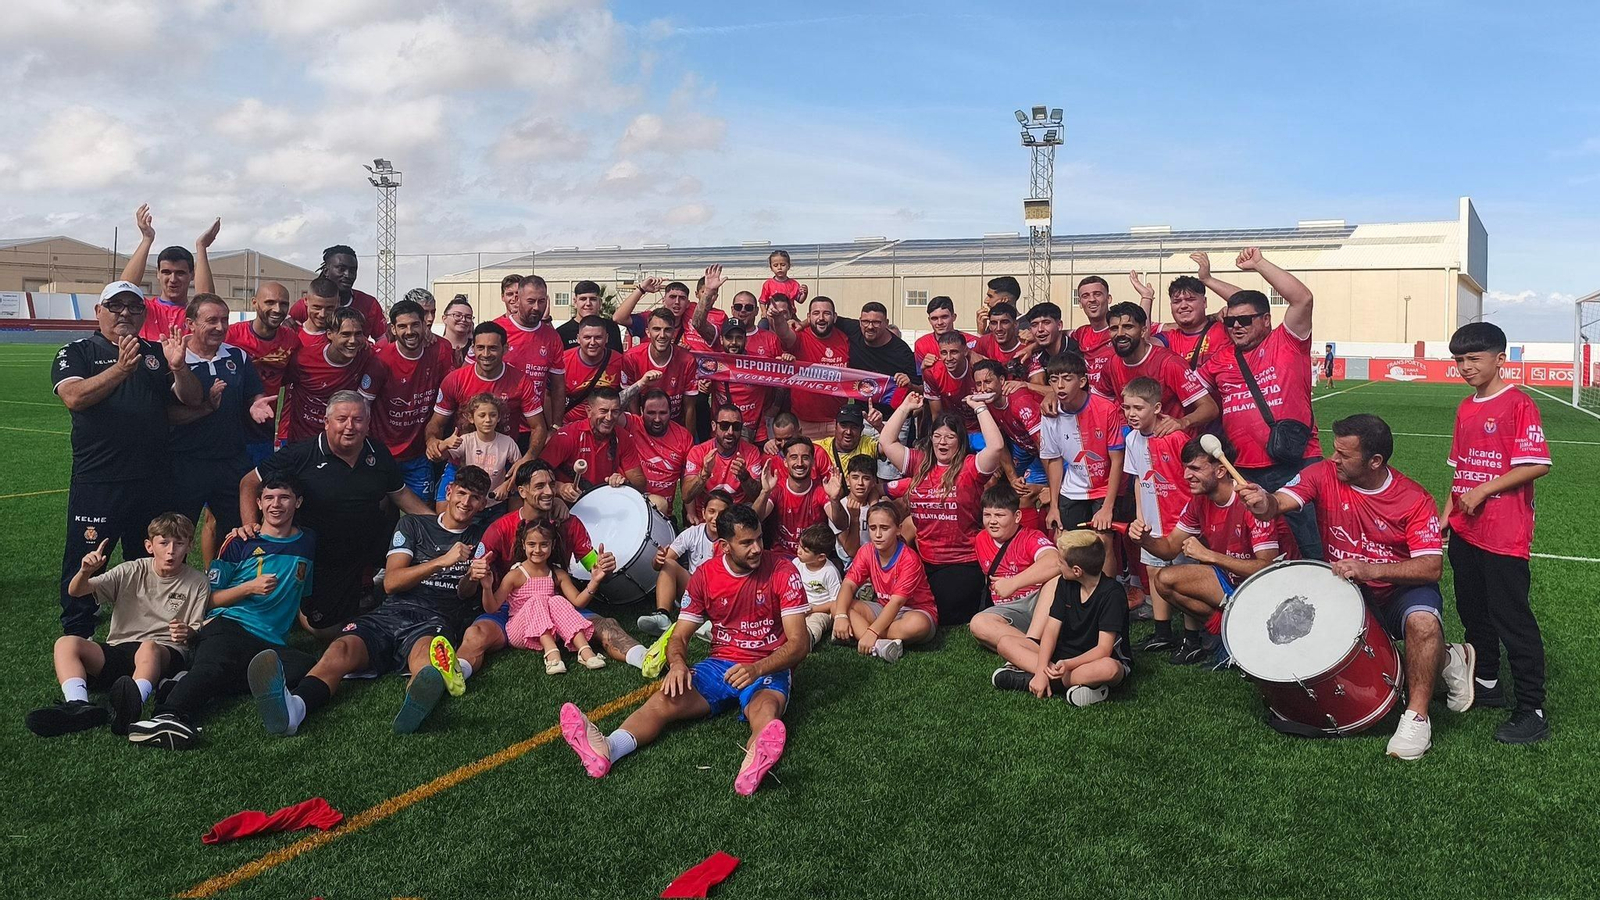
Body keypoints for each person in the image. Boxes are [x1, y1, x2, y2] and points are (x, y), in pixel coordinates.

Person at [1238, 414, 1475, 760]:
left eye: (1344, 454)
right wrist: (1264, 503)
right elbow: (1278, 503)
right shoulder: (1322, 474)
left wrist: (1370, 568)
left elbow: (1431, 567)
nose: (1334, 459)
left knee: (1423, 623)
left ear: (1374, 461)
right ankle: (1450, 657)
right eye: (1334, 451)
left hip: (1398, 590)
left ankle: (1417, 717)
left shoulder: (1414, 499)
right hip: (1349, 589)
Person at [559, 503, 808, 795]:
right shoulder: (706, 576)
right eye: (746, 543)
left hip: (767, 665)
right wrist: (677, 664)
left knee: (766, 710)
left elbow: (799, 643)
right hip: (719, 665)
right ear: (725, 546)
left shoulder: (782, 570)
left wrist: (757, 668)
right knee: (664, 698)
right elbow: (679, 635)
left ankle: (753, 763)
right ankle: (608, 748)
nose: (756, 548)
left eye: (759, 539)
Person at [247, 466, 495, 737]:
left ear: (483, 503)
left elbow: (464, 594)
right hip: (391, 611)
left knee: (426, 660)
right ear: (448, 491)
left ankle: (417, 702)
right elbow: (392, 582)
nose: (465, 502)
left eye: (474, 498)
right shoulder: (413, 524)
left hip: (435, 618)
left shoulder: (480, 537)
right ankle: (296, 708)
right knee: (340, 648)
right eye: (461, 493)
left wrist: (472, 577)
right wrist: (442, 561)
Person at [53, 281, 203, 637]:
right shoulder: (77, 351)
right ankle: (79, 626)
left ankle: (146, 617)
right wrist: (121, 369)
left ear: (143, 314)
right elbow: (74, 397)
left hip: (152, 477)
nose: (125, 313)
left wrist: (181, 370)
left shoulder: (155, 353)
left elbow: (186, 403)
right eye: (115, 306)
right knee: (89, 554)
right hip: (100, 478)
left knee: (147, 555)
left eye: (134, 307)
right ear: (98, 311)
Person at [127, 476, 317, 749]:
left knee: (304, 667)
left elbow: (301, 594)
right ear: (258, 503)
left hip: (271, 640)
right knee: (214, 667)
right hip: (229, 624)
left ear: (297, 502)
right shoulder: (240, 542)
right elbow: (206, 600)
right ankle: (164, 716)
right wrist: (248, 588)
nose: (276, 505)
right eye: (269, 498)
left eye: (284, 498)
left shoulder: (308, 541)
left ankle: (178, 682)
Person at [241, 391, 435, 636]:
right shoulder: (301, 454)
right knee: (322, 628)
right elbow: (249, 482)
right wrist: (251, 526)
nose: (349, 427)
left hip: (369, 540)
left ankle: (374, 585)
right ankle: (301, 597)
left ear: (367, 424)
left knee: (418, 552)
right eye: (342, 419)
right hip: (323, 552)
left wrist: (440, 526)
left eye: (357, 419)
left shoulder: (377, 452)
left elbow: (401, 495)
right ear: (327, 422)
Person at [1443, 322, 1552, 743]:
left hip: (1504, 532)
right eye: (1458, 360)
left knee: (1513, 619)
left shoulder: (1518, 403)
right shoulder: (1465, 407)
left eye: (1474, 359)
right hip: (1466, 530)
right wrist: (1445, 513)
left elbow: (1537, 464)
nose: (1465, 367)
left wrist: (1484, 490)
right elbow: (1459, 470)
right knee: (1473, 611)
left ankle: (1533, 709)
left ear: (1500, 359)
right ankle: (1487, 681)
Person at [26, 514, 209, 738]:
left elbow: (195, 633)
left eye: (179, 543)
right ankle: (78, 706)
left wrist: (187, 632)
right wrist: (85, 571)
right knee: (66, 643)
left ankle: (133, 704)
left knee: (149, 647)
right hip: (121, 648)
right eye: (164, 543)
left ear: (189, 546)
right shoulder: (130, 570)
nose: (171, 551)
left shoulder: (198, 581)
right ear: (149, 546)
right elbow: (76, 591)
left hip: (165, 652)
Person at [1194, 248, 1324, 560]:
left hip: (1296, 464)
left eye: (1245, 320)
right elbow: (1186, 394)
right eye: (1231, 321)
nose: (1237, 326)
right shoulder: (1219, 360)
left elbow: (1303, 299)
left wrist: (1259, 264)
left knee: (1311, 548)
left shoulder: (1286, 342)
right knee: (1258, 550)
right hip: (1243, 471)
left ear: (1266, 320)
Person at [465, 462, 641, 674]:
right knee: (476, 635)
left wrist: (603, 567)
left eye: (551, 485)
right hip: (511, 611)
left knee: (607, 625)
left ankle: (646, 658)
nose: (549, 491)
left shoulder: (569, 523)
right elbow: (467, 585)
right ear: (522, 491)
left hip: (559, 606)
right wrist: (474, 577)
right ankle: (455, 674)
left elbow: (592, 564)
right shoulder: (499, 529)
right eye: (540, 486)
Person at [1128, 435, 1283, 664]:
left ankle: (1242, 631)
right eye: (1185, 468)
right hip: (1231, 581)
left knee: (1172, 578)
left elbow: (1267, 569)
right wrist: (1145, 540)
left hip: (1267, 588)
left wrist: (1209, 556)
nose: (1185, 476)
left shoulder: (1253, 501)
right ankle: (1228, 632)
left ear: (1220, 471)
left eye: (1195, 469)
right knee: (1164, 579)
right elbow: (1170, 548)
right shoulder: (1198, 501)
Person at [879, 391, 1005, 626]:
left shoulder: (969, 468)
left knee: (944, 617)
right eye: (937, 436)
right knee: (910, 610)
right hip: (924, 561)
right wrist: (906, 407)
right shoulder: (919, 464)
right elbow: (887, 442)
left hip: (961, 562)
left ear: (960, 441)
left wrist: (979, 408)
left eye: (949, 437)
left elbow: (996, 447)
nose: (942, 442)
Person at [168, 293, 275, 558]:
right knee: (177, 533)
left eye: (224, 320)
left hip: (232, 461)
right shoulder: (174, 357)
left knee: (239, 532)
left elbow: (254, 393)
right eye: (212, 320)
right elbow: (167, 414)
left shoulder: (237, 356)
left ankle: (224, 591)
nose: (220, 327)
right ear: (190, 324)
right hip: (186, 463)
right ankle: (172, 592)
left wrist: (255, 405)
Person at [990, 530, 1130, 707]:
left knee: (1109, 669)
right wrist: (1042, 670)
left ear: (1077, 570)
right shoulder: (1065, 583)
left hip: (1093, 660)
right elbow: (1051, 629)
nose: (1057, 565)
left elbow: (1103, 649)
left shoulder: (1112, 594)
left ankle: (1031, 681)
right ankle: (1065, 684)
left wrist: (1069, 664)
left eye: (1060, 562)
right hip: (1060, 657)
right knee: (1005, 643)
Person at [1119, 379, 1201, 656]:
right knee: (1154, 572)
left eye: (1138, 408)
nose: (1131, 413)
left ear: (1156, 408)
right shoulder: (1131, 439)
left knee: (1186, 576)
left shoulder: (1175, 437)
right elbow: (1139, 480)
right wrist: (1140, 517)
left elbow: (1193, 478)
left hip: (1180, 522)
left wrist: (1191, 518)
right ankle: (1162, 632)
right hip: (1152, 522)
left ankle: (1193, 638)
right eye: (1127, 407)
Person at [1039, 351, 1125, 574]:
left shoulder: (1106, 409)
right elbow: (1055, 461)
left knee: (1103, 542)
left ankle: (1107, 600)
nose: (1060, 386)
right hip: (1072, 488)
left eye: (1067, 378)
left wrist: (1107, 507)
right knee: (1067, 544)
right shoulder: (1049, 414)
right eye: (1054, 379)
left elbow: (1117, 461)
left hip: (1104, 488)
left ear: (1083, 381)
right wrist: (1054, 506)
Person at [428, 322, 545, 473]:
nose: (485, 354)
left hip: (503, 464)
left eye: (493, 348)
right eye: (480, 348)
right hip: (461, 463)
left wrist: (529, 458)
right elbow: (436, 423)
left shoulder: (521, 381)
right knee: (444, 497)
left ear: (505, 349)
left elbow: (538, 426)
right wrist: (432, 441)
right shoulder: (455, 379)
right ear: (473, 348)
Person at [495, 519, 608, 674]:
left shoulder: (557, 573)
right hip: (519, 632)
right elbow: (492, 607)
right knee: (538, 599)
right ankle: (552, 654)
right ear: (523, 544)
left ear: (552, 545)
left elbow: (578, 601)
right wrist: (487, 587)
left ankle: (584, 651)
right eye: (532, 544)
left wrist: (594, 581)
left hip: (549, 630)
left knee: (557, 599)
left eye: (544, 544)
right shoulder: (515, 575)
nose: (537, 550)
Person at [832, 501, 939, 662]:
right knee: (837, 606)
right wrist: (840, 616)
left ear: (899, 529)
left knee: (918, 624)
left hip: (913, 611)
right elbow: (848, 584)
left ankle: (864, 634)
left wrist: (872, 632)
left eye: (884, 528)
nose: (878, 534)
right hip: (883, 608)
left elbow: (897, 602)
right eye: (873, 528)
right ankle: (880, 646)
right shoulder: (866, 550)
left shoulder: (909, 558)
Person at [374, 299, 456, 501]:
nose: (409, 331)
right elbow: (364, 405)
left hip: (419, 454)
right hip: (383, 454)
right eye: (402, 326)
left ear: (424, 325)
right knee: (379, 515)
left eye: (414, 325)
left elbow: (450, 393)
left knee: (421, 513)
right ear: (393, 329)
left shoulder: (440, 349)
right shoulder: (381, 359)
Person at [1095, 301, 1217, 434]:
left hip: (1175, 445)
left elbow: (1210, 408)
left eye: (1128, 327)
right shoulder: (1112, 364)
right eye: (1114, 328)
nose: (1120, 334)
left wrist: (1182, 422)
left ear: (1143, 331)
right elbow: (1097, 403)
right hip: (1139, 445)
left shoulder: (1169, 363)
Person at [967, 484, 1061, 654]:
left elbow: (1055, 561)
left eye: (1000, 515)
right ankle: (1036, 648)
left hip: (1039, 603)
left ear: (1017, 516)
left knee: (1056, 577)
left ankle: (1030, 643)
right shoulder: (980, 539)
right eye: (987, 515)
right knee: (978, 623)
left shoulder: (1031, 536)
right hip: (1008, 610)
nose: (992, 521)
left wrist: (1013, 583)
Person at [638, 490, 735, 642]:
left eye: (722, 513)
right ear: (703, 512)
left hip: (724, 593)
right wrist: (658, 559)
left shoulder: (734, 537)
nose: (716, 518)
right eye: (711, 511)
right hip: (695, 589)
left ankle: (716, 624)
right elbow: (661, 565)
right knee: (669, 563)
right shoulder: (693, 533)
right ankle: (663, 615)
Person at [280, 307, 386, 443]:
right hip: (304, 441)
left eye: (358, 334)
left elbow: (390, 356)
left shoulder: (367, 355)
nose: (353, 340)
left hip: (341, 442)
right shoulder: (303, 359)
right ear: (330, 334)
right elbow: (278, 381)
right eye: (346, 334)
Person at [226, 282, 302, 464]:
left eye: (283, 304)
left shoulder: (291, 339)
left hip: (263, 427)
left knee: (258, 485)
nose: (277, 309)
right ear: (254, 303)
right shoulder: (232, 335)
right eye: (269, 302)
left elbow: (292, 377)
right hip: (230, 426)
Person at [117, 205, 219, 341]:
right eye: (166, 272)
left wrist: (201, 247)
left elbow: (207, 300)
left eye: (180, 273)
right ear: (158, 274)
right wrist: (147, 238)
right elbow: (124, 288)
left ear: (192, 275)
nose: (173, 279)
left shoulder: (195, 314)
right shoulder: (144, 309)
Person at [539, 387, 647, 495]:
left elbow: (640, 483)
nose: (609, 417)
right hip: (570, 504)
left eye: (615, 412)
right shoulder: (567, 436)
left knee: (658, 502)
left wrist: (623, 481)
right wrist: (560, 488)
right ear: (589, 411)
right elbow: (537, 473)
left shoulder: (624, 437)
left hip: (607, 500)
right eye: (603, 411)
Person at [772, 295, 852, 438]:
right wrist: (778, 319)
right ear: (809, 317)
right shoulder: (800, 337)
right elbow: (784, 334)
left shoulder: (845, 340)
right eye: (816, 313)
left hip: (837, 423)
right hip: (804, 424)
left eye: (826, 313)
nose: (821, 318)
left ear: (834, 317)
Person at [499, 275, 567, 432]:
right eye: (531, 301)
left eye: (541, 301)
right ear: (518, 299)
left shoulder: (552, 337)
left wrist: (556, 426)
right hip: (496, 428)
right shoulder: (497, 330)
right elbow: (468, 374)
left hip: (534, 428)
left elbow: (558, 386)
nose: (536, 307)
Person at [683, 403, 765, 524]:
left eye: (736, 426)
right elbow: (686, 495)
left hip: (737, 520)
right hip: (707, 519)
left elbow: (757, 497)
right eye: (725, 426)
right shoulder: (698, 452)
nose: (730, 432)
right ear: (713, 426)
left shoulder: (751, 452)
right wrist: (704, 474)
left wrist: (745, 477)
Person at [622, 308, 699, 431]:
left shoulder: (687, 360)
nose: (662, 335)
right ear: (648, 332)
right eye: (656, 329)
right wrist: (638, 433)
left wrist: (688, 442)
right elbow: (631, 401)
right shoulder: (631, 358)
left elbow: (690, 407)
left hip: (675, 427)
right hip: (643, 426)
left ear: (674, 332)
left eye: (667, 330)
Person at [754, 436, 831, 559]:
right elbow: (754, 520)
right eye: (793, 457)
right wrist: (765, 492)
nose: (799, 463)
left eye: (805, 458)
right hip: (780, 558)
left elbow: (840, 523)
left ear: (812, 462)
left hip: (812, 560)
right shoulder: (777, 489)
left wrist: (835, 500)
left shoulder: (820, 491)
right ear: (785, 462)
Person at [442, 394, 522, 511]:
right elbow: (439, 457)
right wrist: (445, 444)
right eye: (482, 415)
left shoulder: (508, 443)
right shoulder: (466, 440)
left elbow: (521, 470)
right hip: (470, 503)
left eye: (493, 415)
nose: (488, 420)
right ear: (471, 418)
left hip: (495, 502)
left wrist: (507, 485)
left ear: (499, 417)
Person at [288, 245, 386, 339]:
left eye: (353, 270)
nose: (348, 275)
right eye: (341, 269)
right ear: (326, 271)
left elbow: (382, 340)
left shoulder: (369, 304)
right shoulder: (304, 306)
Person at [1147, 258, 1228, 368]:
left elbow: (1250, 303)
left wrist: (1207, 279)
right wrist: (1146, 298)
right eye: (1177, 301)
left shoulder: (1225, 328)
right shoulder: (1169, 339)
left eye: (1190, 299)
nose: (1183, 306)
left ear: (1204, 302)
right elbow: (1144, 346)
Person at [701, 320, 774, 441]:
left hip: (755, 434)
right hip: (722, 433)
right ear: (721, 339)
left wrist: (784, 363)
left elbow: (780, 381)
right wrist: (704, 388)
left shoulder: (759, 363)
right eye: (729, 338)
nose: (733, 343)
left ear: (746, 340)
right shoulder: (713, 362)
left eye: (738, 338)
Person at [1070, 275, 1151, 383]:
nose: (1092, 299)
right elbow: (1056, 333)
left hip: (1121, 393)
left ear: (1109, 298)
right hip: (1093, 396)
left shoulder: (1123, 329)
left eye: (1097, 294)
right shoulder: (1081, 332)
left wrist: (1146, 297)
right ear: (1080, 303)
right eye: (1085, 296)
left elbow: (1142, 328)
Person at [627, 389, 694, 518]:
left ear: (671, 412)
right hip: (631, 508)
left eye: (662, 413)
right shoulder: (631, 424)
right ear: (641, 411)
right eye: (651, 413)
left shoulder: (683, 437)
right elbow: (612, 407)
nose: (657, 419)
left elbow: (688, 478)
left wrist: (690, 513)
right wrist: (639, 385)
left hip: (663, 515)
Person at [561, 315, 626, 424]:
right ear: (578, 338)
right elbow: (551, 396)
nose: (592, 342)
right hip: (571, 425)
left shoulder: (620, 362)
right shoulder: (563, 361)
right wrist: (554, 426)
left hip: (608, 424)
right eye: (587, 337)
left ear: (606, 338)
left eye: (598, 337)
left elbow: (627, 395)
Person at [825, 454, 882, 562]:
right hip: (852, 567)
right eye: (855, 477)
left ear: (874, 481)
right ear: (847, 480)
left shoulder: (880, 506)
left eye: (866, 478)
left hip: (879, 563)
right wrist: (855, 519)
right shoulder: (838, 508)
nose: (860, 483)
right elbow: (851, 551)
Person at [794, 523, 844, 647]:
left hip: (821, 610)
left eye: (805, 550)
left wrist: (812, 609)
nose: (799, 551)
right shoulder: (796, 563)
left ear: (821, 557)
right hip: (800, 605)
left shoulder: (829, 572)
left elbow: (835, 602)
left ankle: (808, 640)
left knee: (816, 622)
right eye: (799, 546)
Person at [923, 330, 979, 437]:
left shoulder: (978, 369)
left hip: (979, 429)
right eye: (944, 353)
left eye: (954, 352)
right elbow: (937, 415)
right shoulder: (932, 373)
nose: (948, 358)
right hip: (952, 430)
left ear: (966, 351)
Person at [557, 280, 625, 351]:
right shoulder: (562, 332)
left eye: (593, 299)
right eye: (583, 299)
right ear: (575, 302)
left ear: (600, 302)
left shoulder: (611, 328)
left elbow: (618, 359)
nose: (588, 303)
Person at [815, 403, 880, 476]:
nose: (848, 432)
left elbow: (891, 446)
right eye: (844, 426)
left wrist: (879, 427)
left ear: (861, 429)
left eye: (854, 427)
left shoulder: (868, 444)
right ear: (835, 426)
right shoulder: (819, 448)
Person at [915, 295, 973, 373]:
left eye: (944, 317)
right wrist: (923, 370)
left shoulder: (972, 341)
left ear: (954, 317)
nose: (940, 323)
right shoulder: (921, 344)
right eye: (934, 318)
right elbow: (919, 381)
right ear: (929, 320)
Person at [974, 301, 1032, 377]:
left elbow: (1038, 383)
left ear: (1015, 324)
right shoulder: (985, 341)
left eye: (1004, 322)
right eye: (994, 323)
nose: (998, 328)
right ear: (990, 326)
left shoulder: (1027, 346)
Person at [1021, 302, 1073, 382]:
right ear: (1030, 330)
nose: (1040, 329)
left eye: (1046, 323)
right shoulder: (1036, 355)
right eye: (1035, 325)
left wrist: (1026, 386)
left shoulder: (1077, 351)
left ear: (1059, 325)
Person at [758, 248, 808, 314]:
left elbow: (800, 300)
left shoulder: (794, 284)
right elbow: (762, 301)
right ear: (771, 268)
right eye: (775, 265)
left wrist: (804, 293)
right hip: (773, 315)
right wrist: (764, 313)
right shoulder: (768, 284)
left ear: (789, 266)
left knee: (798, 324)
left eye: (783, 265)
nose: (779, 268)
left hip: (789, 315)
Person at [440, 295, 476, 367]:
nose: (463, 320)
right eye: (457, 315)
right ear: (444, 318)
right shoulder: (436, 347)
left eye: (468, 317)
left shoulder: (476, 348)